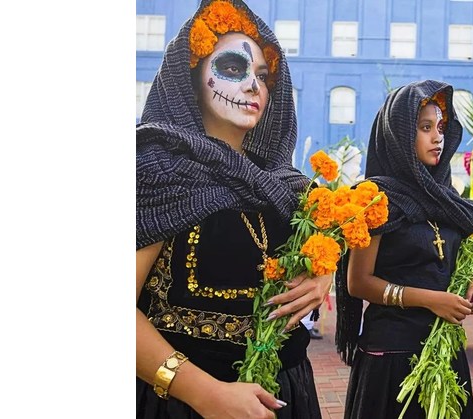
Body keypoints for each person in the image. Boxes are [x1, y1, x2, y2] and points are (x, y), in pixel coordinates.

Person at [135, 1, 329, 418]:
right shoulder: (154, 172)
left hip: (287, 392)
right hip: (185, 403)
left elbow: (320, 242)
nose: (254, 86)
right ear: (189, 77)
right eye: (232, 68)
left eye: (262, 75)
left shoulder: (285, 184)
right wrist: (205, 393)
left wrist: (322, 272)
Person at [334, 81, 473, 419]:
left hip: (442, 349)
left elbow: (449, 254)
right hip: (393, 356)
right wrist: (431, 299)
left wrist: (472, 278)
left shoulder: (443, 195)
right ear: (399, 134)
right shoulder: (375, 198)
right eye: (425, 128)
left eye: (441, 128)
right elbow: (357, 283)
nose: (437, 138)